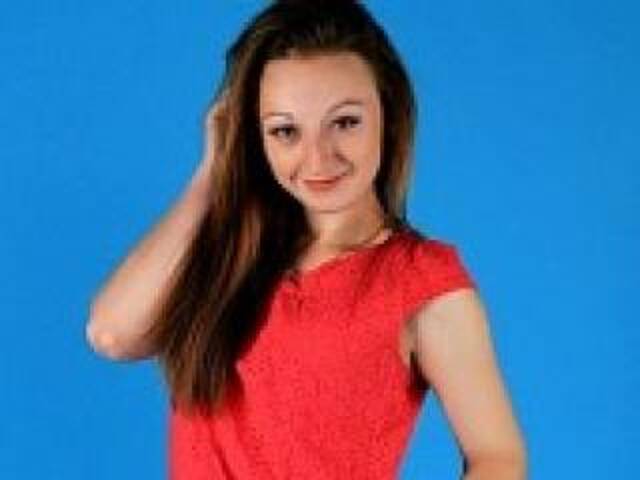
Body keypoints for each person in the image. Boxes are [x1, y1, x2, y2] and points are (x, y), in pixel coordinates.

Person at [86, 1, 527, 478]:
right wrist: (212, 173)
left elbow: (498, 457)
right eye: (285, 131)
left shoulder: (420, 280)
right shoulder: (230, 251)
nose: (317, 159)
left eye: (345, 122)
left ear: (388, 114)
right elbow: (112, 334)